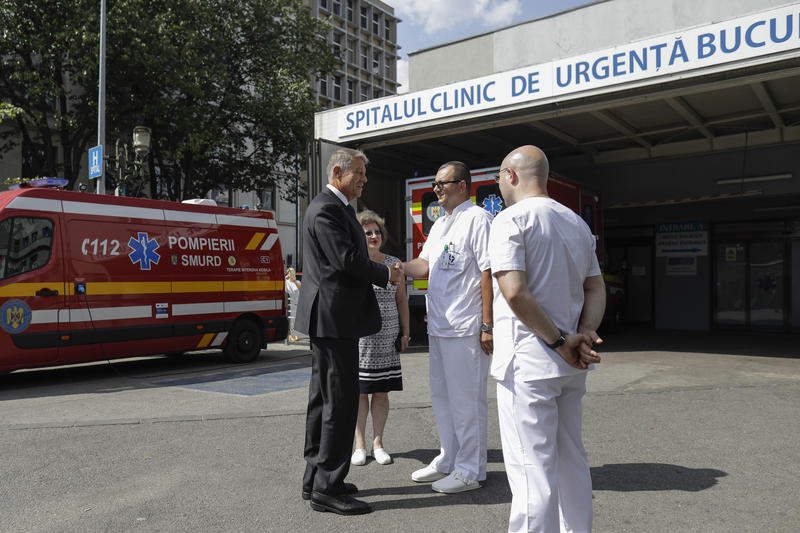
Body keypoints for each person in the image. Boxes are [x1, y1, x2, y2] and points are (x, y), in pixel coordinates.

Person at [488, 145, 605, 533]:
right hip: (571, 365)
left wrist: (558, 341)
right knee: (572, 459)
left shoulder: (510, 220)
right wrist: (585, 332)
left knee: (531, 470)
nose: (499, 185)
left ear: (511, 175)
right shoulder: (576, 223)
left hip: (529, 362)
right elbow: (595, 287)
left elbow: (515, 292)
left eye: (499, 178)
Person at [294, 148, 403, 515]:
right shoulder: (327, 208)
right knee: (338, 403)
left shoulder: (335, 207)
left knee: (323, 400)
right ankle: (328, 488)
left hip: (332, 319)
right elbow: (347, 261)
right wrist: (386, 273)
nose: (364, 180)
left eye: (365, 174)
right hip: (334, 319)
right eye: (358, 173)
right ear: (337, 172)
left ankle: (316, 477)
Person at [396, 161, 494, 494]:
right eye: (434, 184)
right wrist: (397, 266)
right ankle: (449, 458)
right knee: (442, 397)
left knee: (466, 401)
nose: (436, 189)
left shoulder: (478, 219)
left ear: (462, 185)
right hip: (439, 325)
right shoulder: (440, 224)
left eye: (442, 183)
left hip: (465, 327)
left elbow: (488, 273)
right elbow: (424, 265)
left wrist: (487, 324)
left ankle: (470, 470)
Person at [351, 210, 410, 467]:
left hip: (387, 337)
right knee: (360, 393)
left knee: (382, 393)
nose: (374, 236)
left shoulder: (395, 263)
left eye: (377, 232)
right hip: (361, 339)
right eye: (368, 232)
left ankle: (378, 444)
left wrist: (405, 333)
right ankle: (360, 445)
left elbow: (402, 300)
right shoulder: (356, 263)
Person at [285, 268, 301, 342]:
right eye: (290, 273)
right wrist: (286, 277)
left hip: (297, 303)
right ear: (288, 274)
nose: (292, 274)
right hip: (289, 303)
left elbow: (300, 288)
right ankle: (291, 335)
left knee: (297, 320)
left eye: (293, 272)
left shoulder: (297, 282)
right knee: (291, 320)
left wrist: (295, 281)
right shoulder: (286, 282)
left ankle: (296, 334)